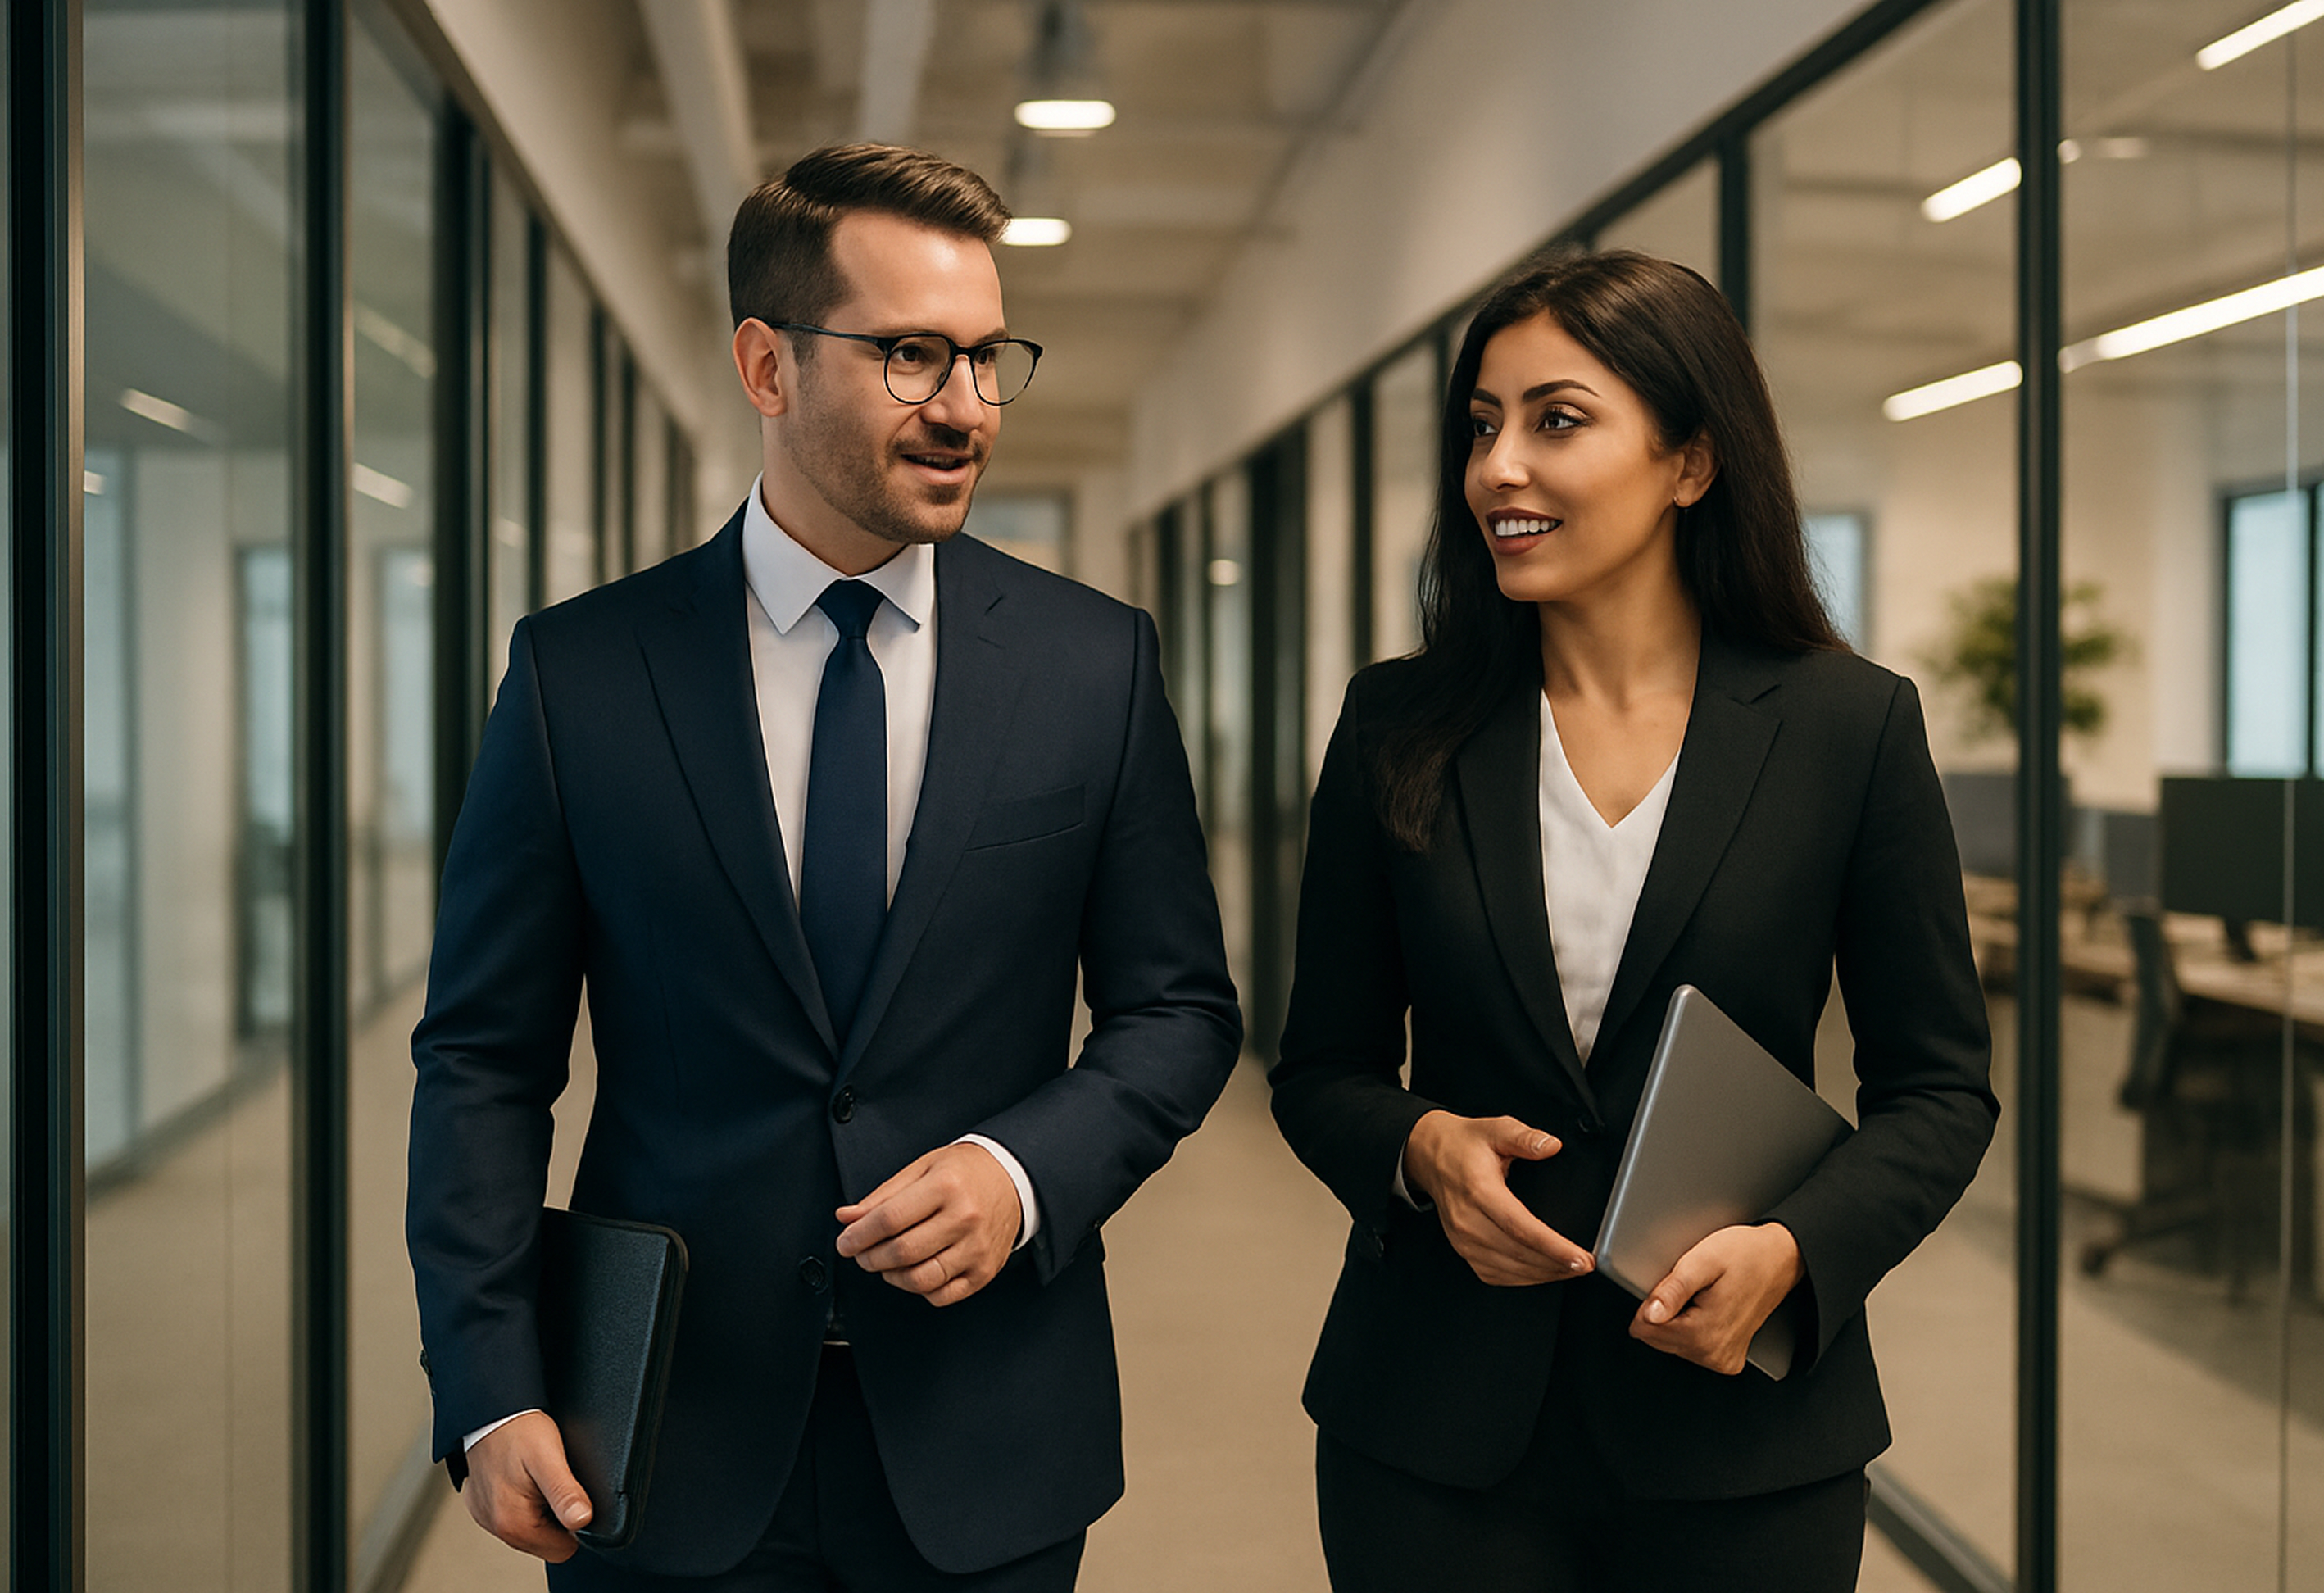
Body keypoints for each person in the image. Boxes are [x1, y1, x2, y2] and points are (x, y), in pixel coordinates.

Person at [407, 143, 1242, 1592]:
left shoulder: (1090, 664)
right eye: (914, 355)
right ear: (766, 364)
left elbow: (1178, 1011)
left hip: (987, 1434)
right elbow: (483, 1057)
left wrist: (1020, 1169)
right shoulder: (581, 674)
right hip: (658, 1439)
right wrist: (489, 1381)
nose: (967, 409)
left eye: (988, 359)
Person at [1266, 250, 1998, 1591]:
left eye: (1556, 420)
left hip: (1742, 1440)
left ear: (1690, 464)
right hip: (1434, 1430)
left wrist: (1795, 1251)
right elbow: (1319, 1069)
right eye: (1480, 426)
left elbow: (1939, 1090)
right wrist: (1422, 1148)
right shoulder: (1396, 726)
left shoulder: (1846, 728)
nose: (1497, 469)